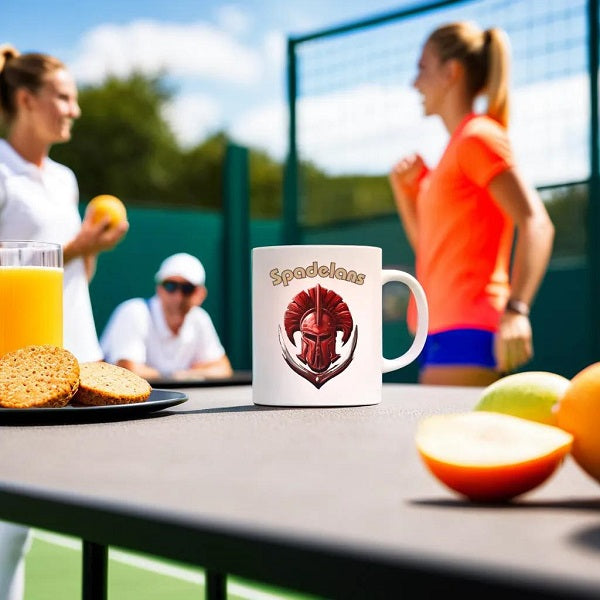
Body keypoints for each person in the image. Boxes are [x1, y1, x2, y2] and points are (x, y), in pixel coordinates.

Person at [0, 46, 128, 599]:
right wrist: (76, 245)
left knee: (52, 516)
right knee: (8, 523)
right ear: (26, 99)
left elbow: (76, 275)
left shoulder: (68, 180)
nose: (74, 108)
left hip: (76, 354)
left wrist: (92, 247)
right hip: (17, 364)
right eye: (64, 96)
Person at [389, 22, 554, 387]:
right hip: (437, 328)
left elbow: (537, 223)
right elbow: (429, 250)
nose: (414, 83)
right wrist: (406, 193)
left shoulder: (478, 137)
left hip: (469, 329)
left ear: (452, 72)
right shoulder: (454, 150)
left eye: (422, 68)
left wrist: (516, 311)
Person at [101, 252, 233, 380]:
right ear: (159, 288)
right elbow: (129, 371)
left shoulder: (200, 318)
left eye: (187, 288)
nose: (178, 295)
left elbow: (223, 368)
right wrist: (185, 375)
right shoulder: (134, 311)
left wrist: (180, 376)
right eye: (170, 286)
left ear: (200, 294)